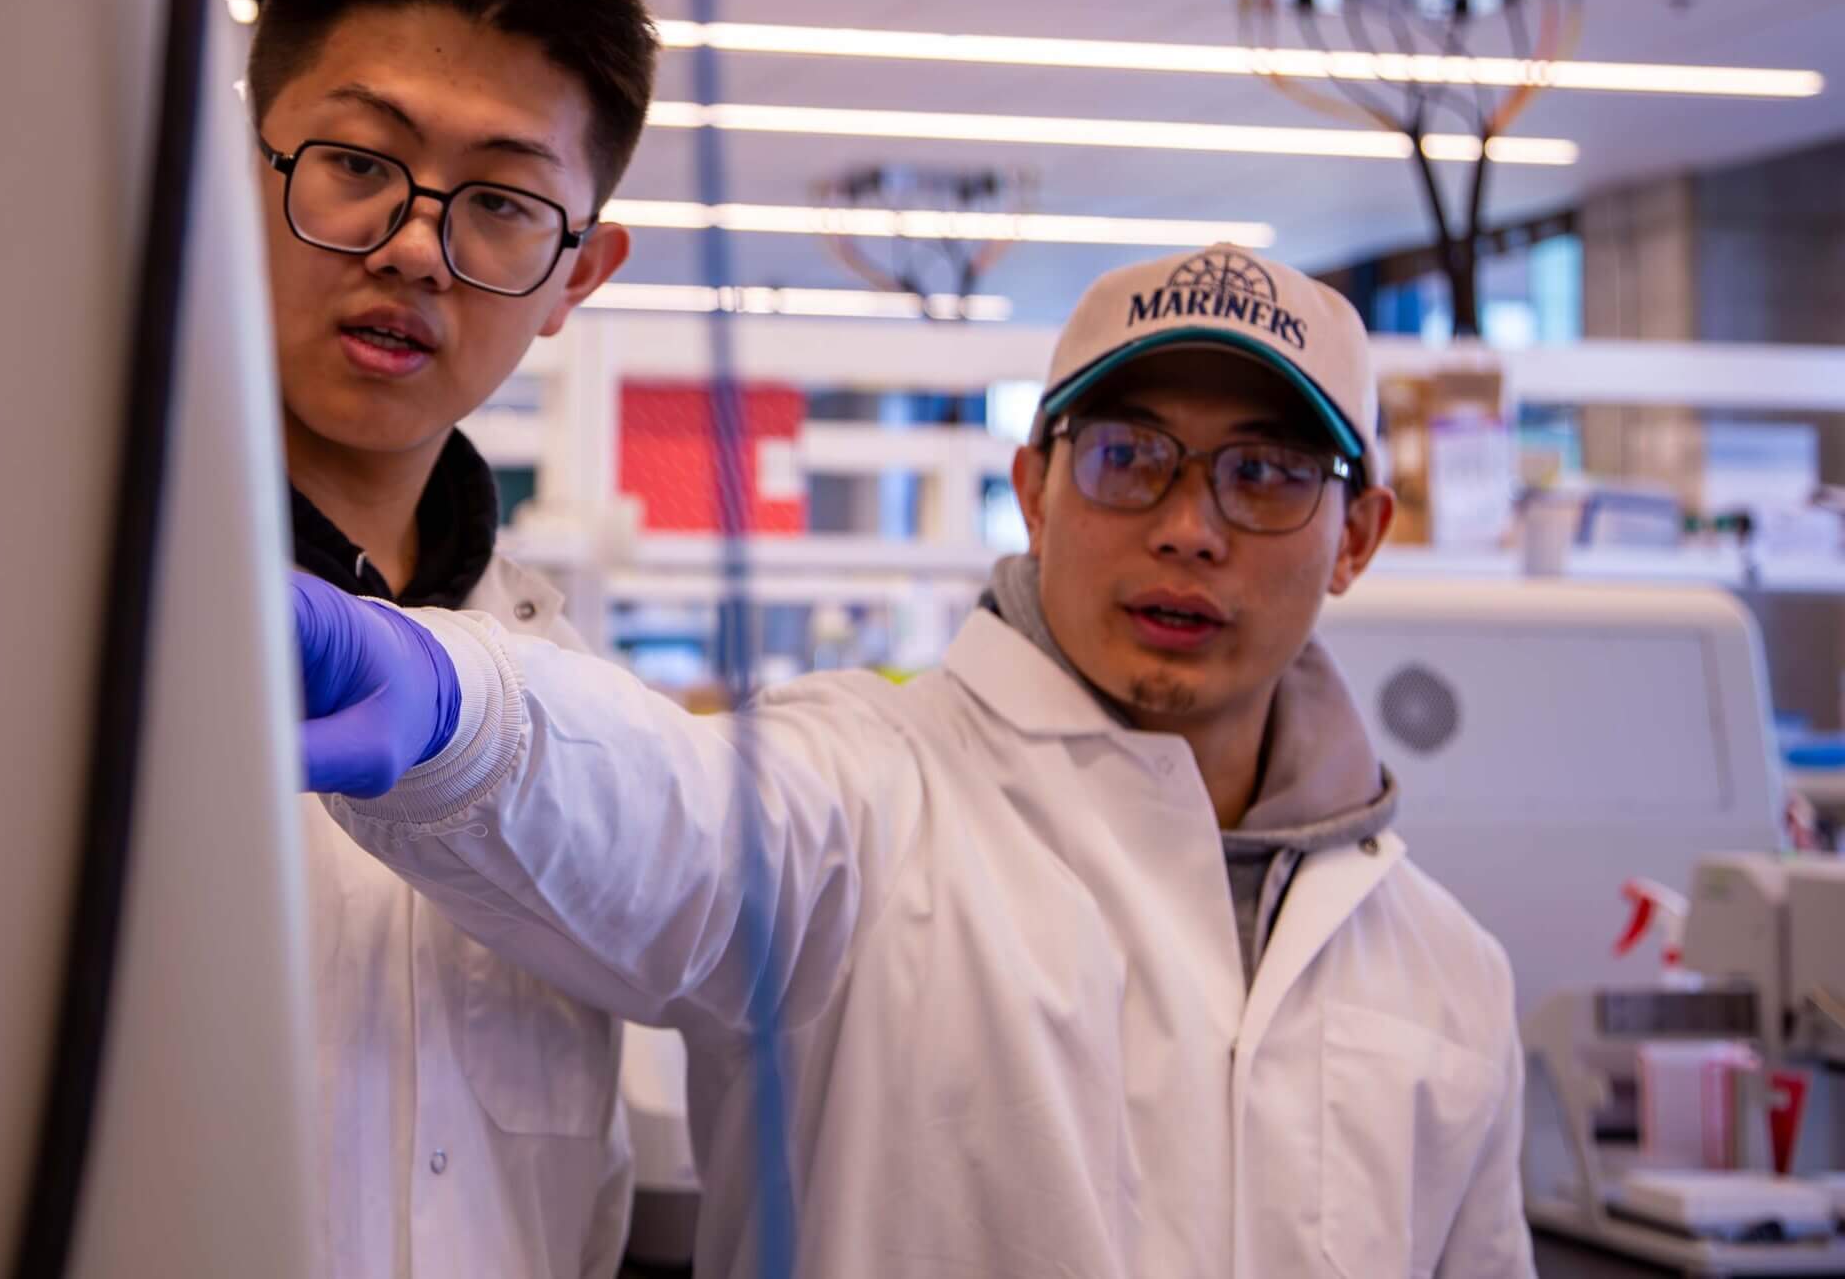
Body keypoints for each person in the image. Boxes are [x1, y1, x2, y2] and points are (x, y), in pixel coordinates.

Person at [290, 244, 1534, 1278]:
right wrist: (460, 711)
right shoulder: (868, 793)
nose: (1187, 528)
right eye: (1127, 456)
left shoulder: (1444, 975)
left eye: (1263, 474)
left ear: (1357, 534)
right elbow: (668, 815)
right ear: (1035, 490)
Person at [250, 0, 658, 1279]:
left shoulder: (576, 695)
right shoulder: (39, 613)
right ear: (234, 168)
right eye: (358, 162)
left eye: (500, 200)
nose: (417, 243)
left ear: (574, 276)